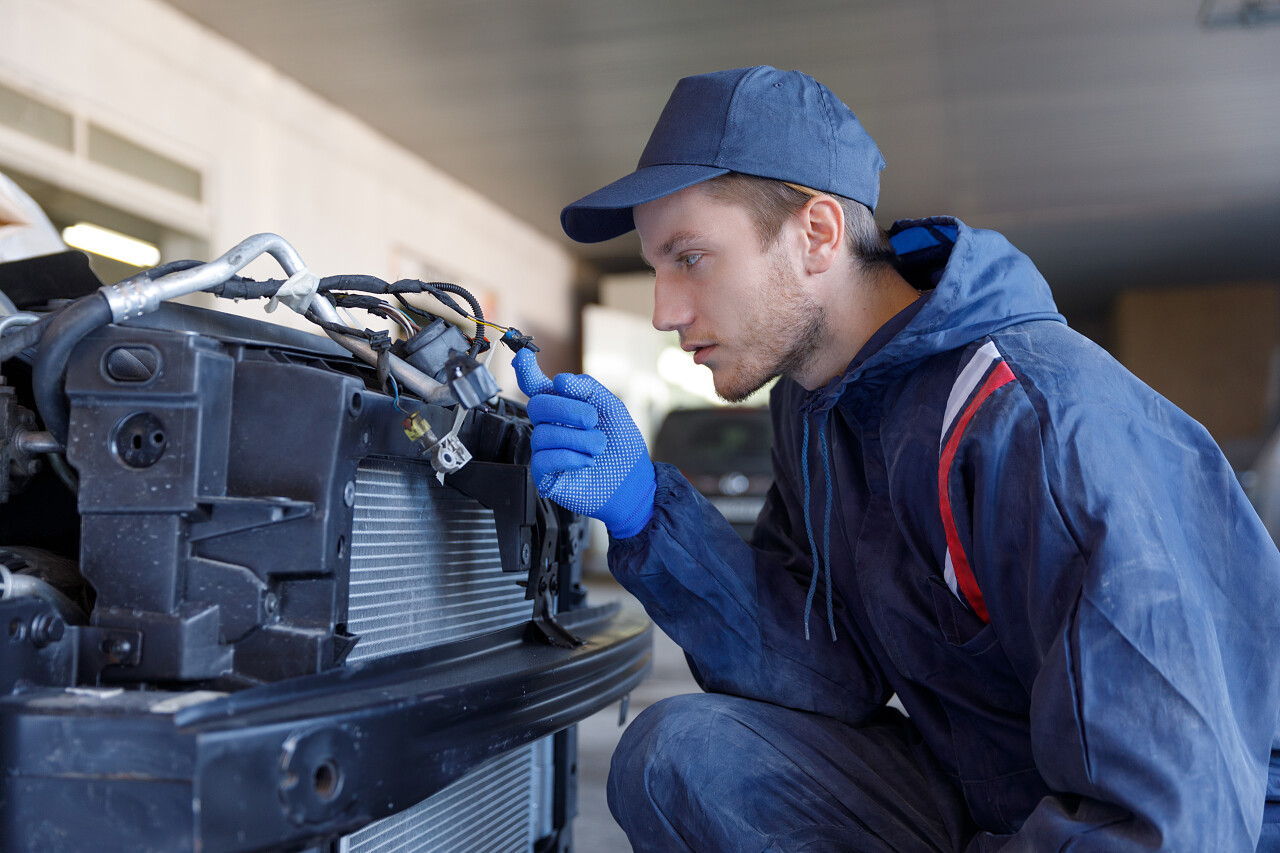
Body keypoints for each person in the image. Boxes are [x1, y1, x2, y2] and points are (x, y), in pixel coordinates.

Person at [513, 66, 1280, 852]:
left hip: (1196, 819)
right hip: (997, 796)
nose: (664, 311)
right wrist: (647, 513)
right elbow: (828, 673)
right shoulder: (817, 408)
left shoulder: (1034, 421)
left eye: (690, 258)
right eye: (655, 267)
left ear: (817, 234)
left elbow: (1168, 816)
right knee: (678, 758)